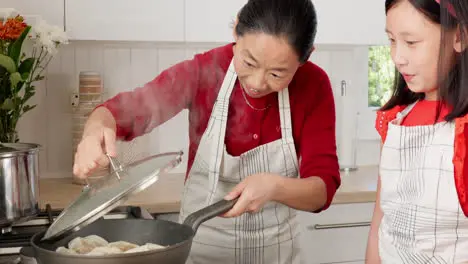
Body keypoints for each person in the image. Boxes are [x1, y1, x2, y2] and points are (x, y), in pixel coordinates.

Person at [73, 0, 341, 263]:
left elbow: (322, 189)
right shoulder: (205, 70)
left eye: (277, 74)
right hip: (200, 251)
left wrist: (274, 187)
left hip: (278, 254)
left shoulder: (313, 85)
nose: (258, 83)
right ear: (236, 30)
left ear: (306, 57)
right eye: (248, 62)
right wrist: (95, 131)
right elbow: (127, 110)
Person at [365, 0, 468, 262]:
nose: (397, 57)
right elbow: (380, 220)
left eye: (411, 42)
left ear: (460, 37)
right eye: (391, 40)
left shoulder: (463, 130)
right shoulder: (394, 121)